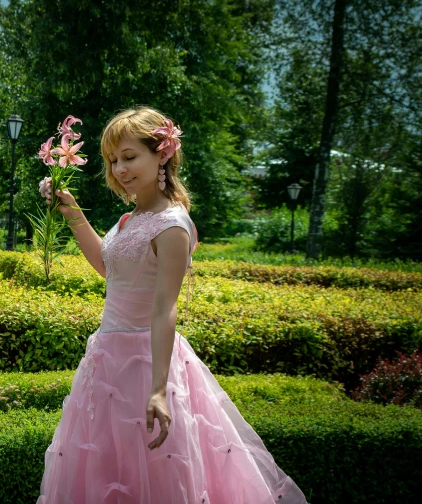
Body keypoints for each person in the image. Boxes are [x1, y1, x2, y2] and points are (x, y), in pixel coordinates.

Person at [35, 106, 308, 504]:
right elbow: (106, 269)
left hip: (146, 362)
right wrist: (71, 210)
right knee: (108, 471)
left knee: (154, 476)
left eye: (130, 157)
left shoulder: (173, 224)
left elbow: (165, 308)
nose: (120, 169)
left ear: (161, 153)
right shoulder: (131, 219)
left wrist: (159, 389)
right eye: (114, 160)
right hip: (106, 358)